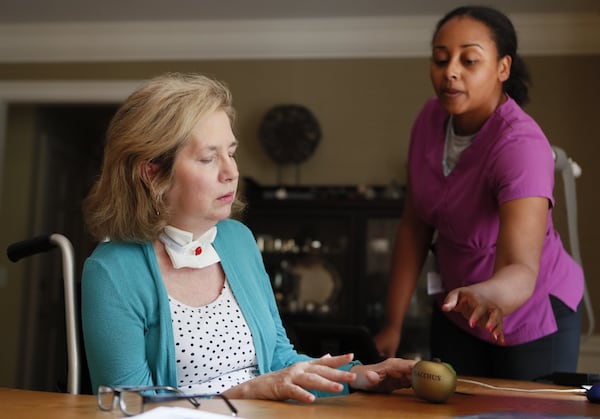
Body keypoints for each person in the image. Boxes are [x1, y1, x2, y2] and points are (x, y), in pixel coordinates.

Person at [81, 72, 415, 401]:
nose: (232, 172)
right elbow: (128, 405)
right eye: (209, 158)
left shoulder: (237, 241)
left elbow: (279, 360)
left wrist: (360, 376)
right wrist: (244, 394)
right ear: (152, 174)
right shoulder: (112, 271)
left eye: (232, 152)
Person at [374, 6, 584, 380]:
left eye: (469, 60)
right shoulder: (429, 119)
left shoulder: (520, 145)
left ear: (503, 68)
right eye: (441, 59)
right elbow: (414, 227)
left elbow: (521, 267)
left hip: (529, 312)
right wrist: (393, 323)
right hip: (458, 310)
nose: (450, 71)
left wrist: (489, 294)